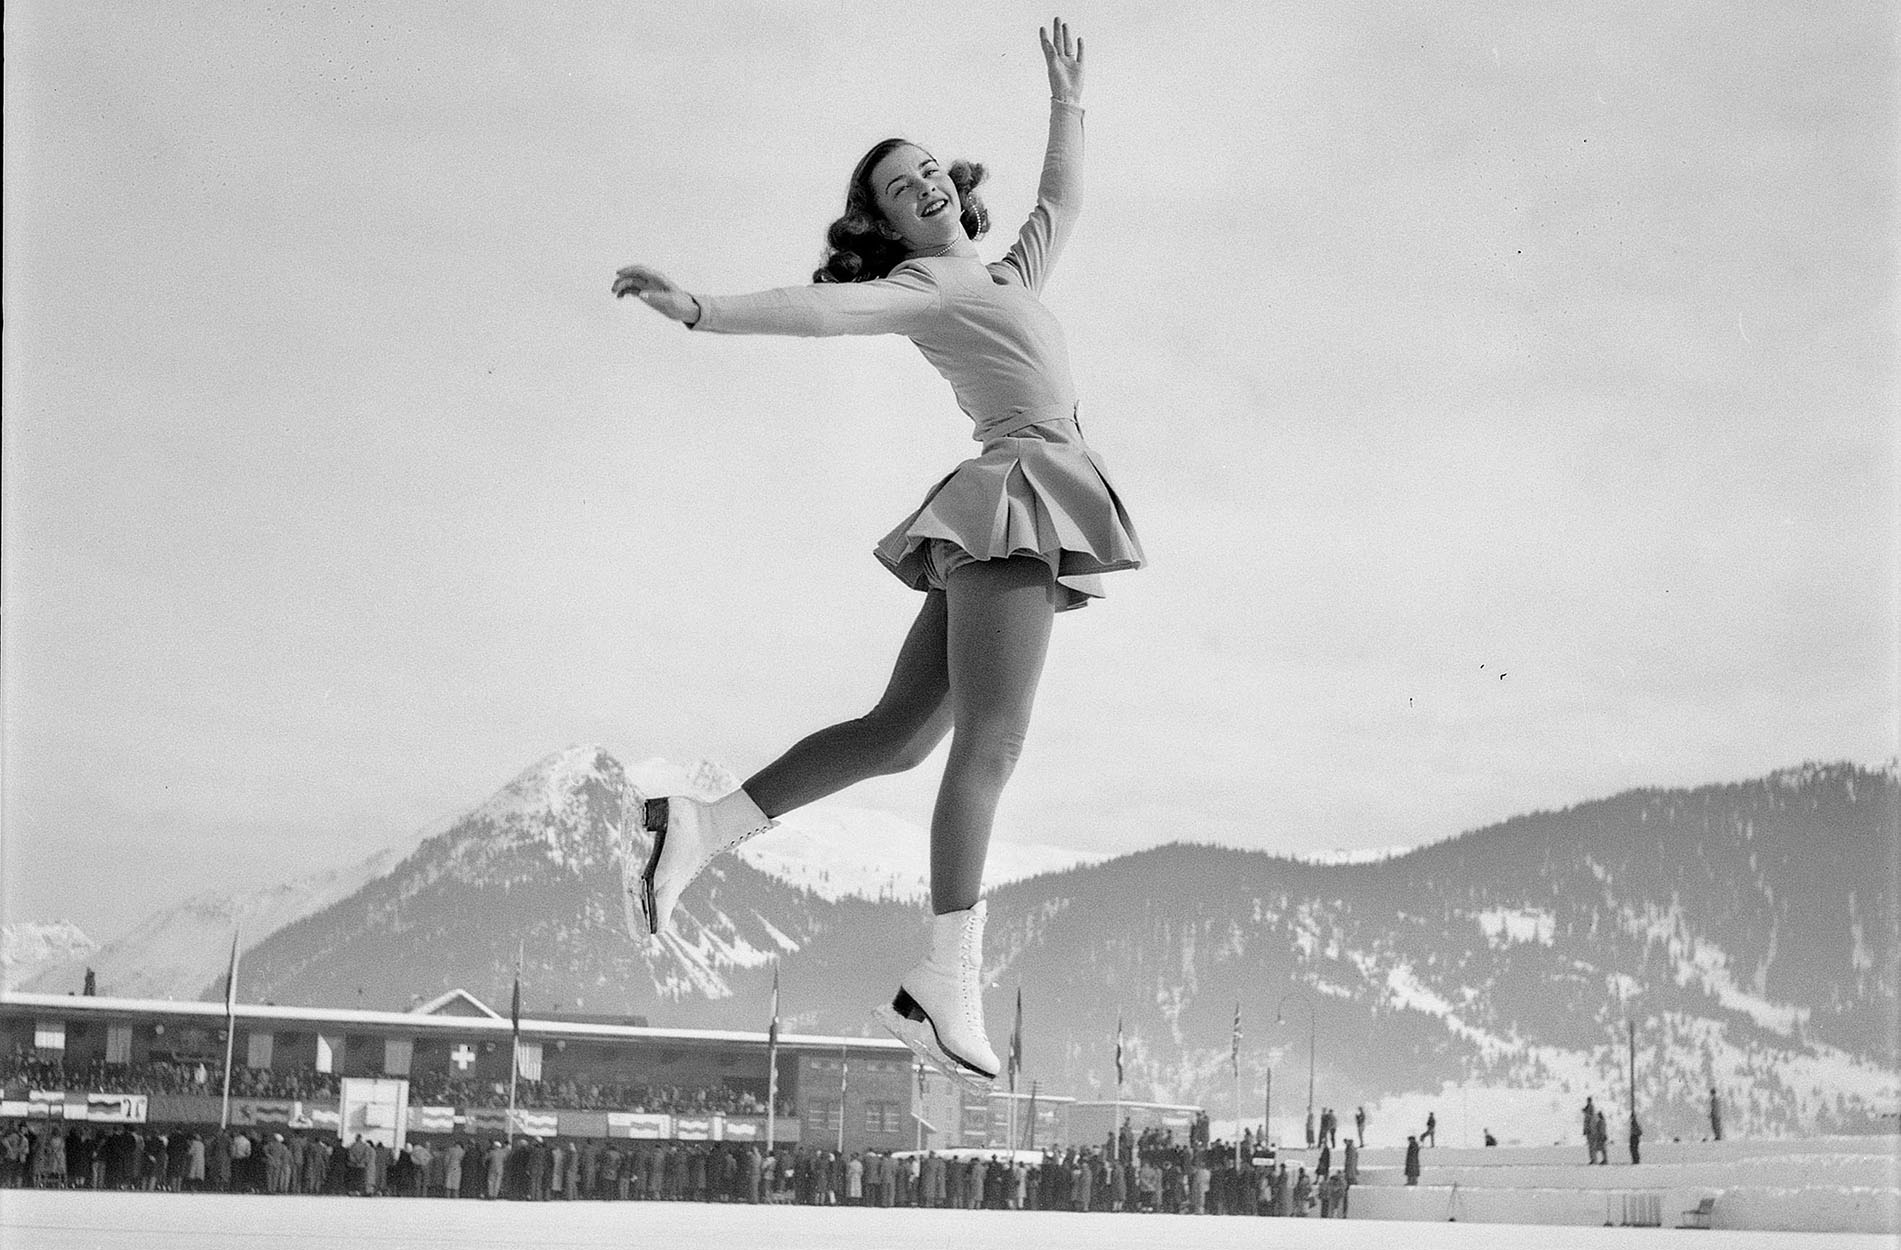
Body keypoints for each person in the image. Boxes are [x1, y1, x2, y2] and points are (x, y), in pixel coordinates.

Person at [610, 15, 1141, 1088]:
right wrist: (700, 309)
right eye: (902, 188)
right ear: (886, 223)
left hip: (1010, 499)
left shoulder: (1000, 276)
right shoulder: (922, 287)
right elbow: (822, 310)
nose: (926, 186)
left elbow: (1061, 203)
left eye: (931, 170)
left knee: (898, 735)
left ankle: (701, 825)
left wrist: (1067, 102)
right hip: (1018, 497)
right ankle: (945, 983)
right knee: (987, 744)